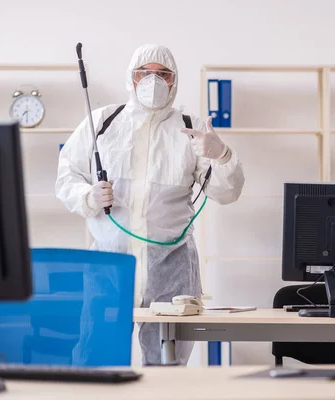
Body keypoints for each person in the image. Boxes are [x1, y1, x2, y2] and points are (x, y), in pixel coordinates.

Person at [55, 44, 245, 365]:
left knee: (166, 368)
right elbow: (66, 176)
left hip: (171, 269)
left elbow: (227, 193)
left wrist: (221, 155)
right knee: (97, 363)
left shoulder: (190, 127)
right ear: (131, 77)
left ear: (175, 81)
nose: (153, 81)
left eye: (163, 74)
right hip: (110, 267)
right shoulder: (103, 121)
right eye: (145, 73)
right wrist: (89, 196)